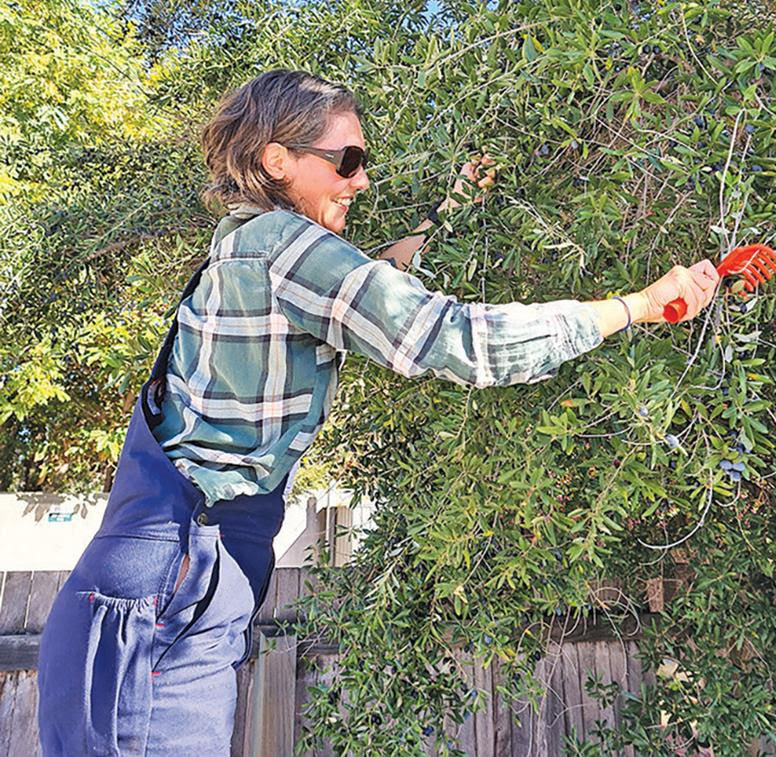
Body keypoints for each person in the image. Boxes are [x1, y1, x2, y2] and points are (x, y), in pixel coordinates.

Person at [36, 68, 719, 755]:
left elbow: (371, 280)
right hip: (158, 610)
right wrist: (638, 306)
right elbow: (453, 340)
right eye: (347, 160)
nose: (361, 180)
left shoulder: (249, 245)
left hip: (152, 603)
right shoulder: (283, 246)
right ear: (279, 160)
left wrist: (447, 214)